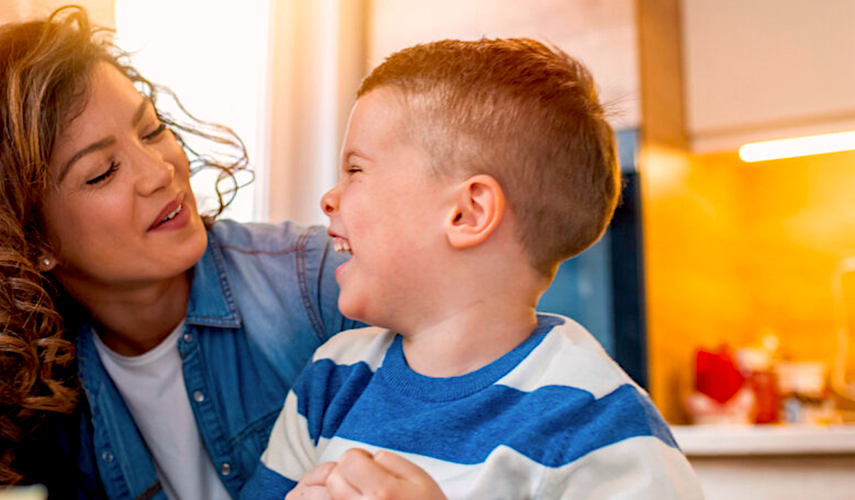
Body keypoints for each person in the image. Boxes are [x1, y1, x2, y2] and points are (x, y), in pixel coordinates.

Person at [0, 6, 359, 499]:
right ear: (30, 240)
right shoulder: (28, 396)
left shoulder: (321, 285)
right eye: (101, 172)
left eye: (151, 131)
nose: (160, 172)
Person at [243, 39, 703, 499]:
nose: (329, 198)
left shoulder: (598, 422)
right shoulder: (333, 376)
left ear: (468, 213)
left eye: (356, 170)